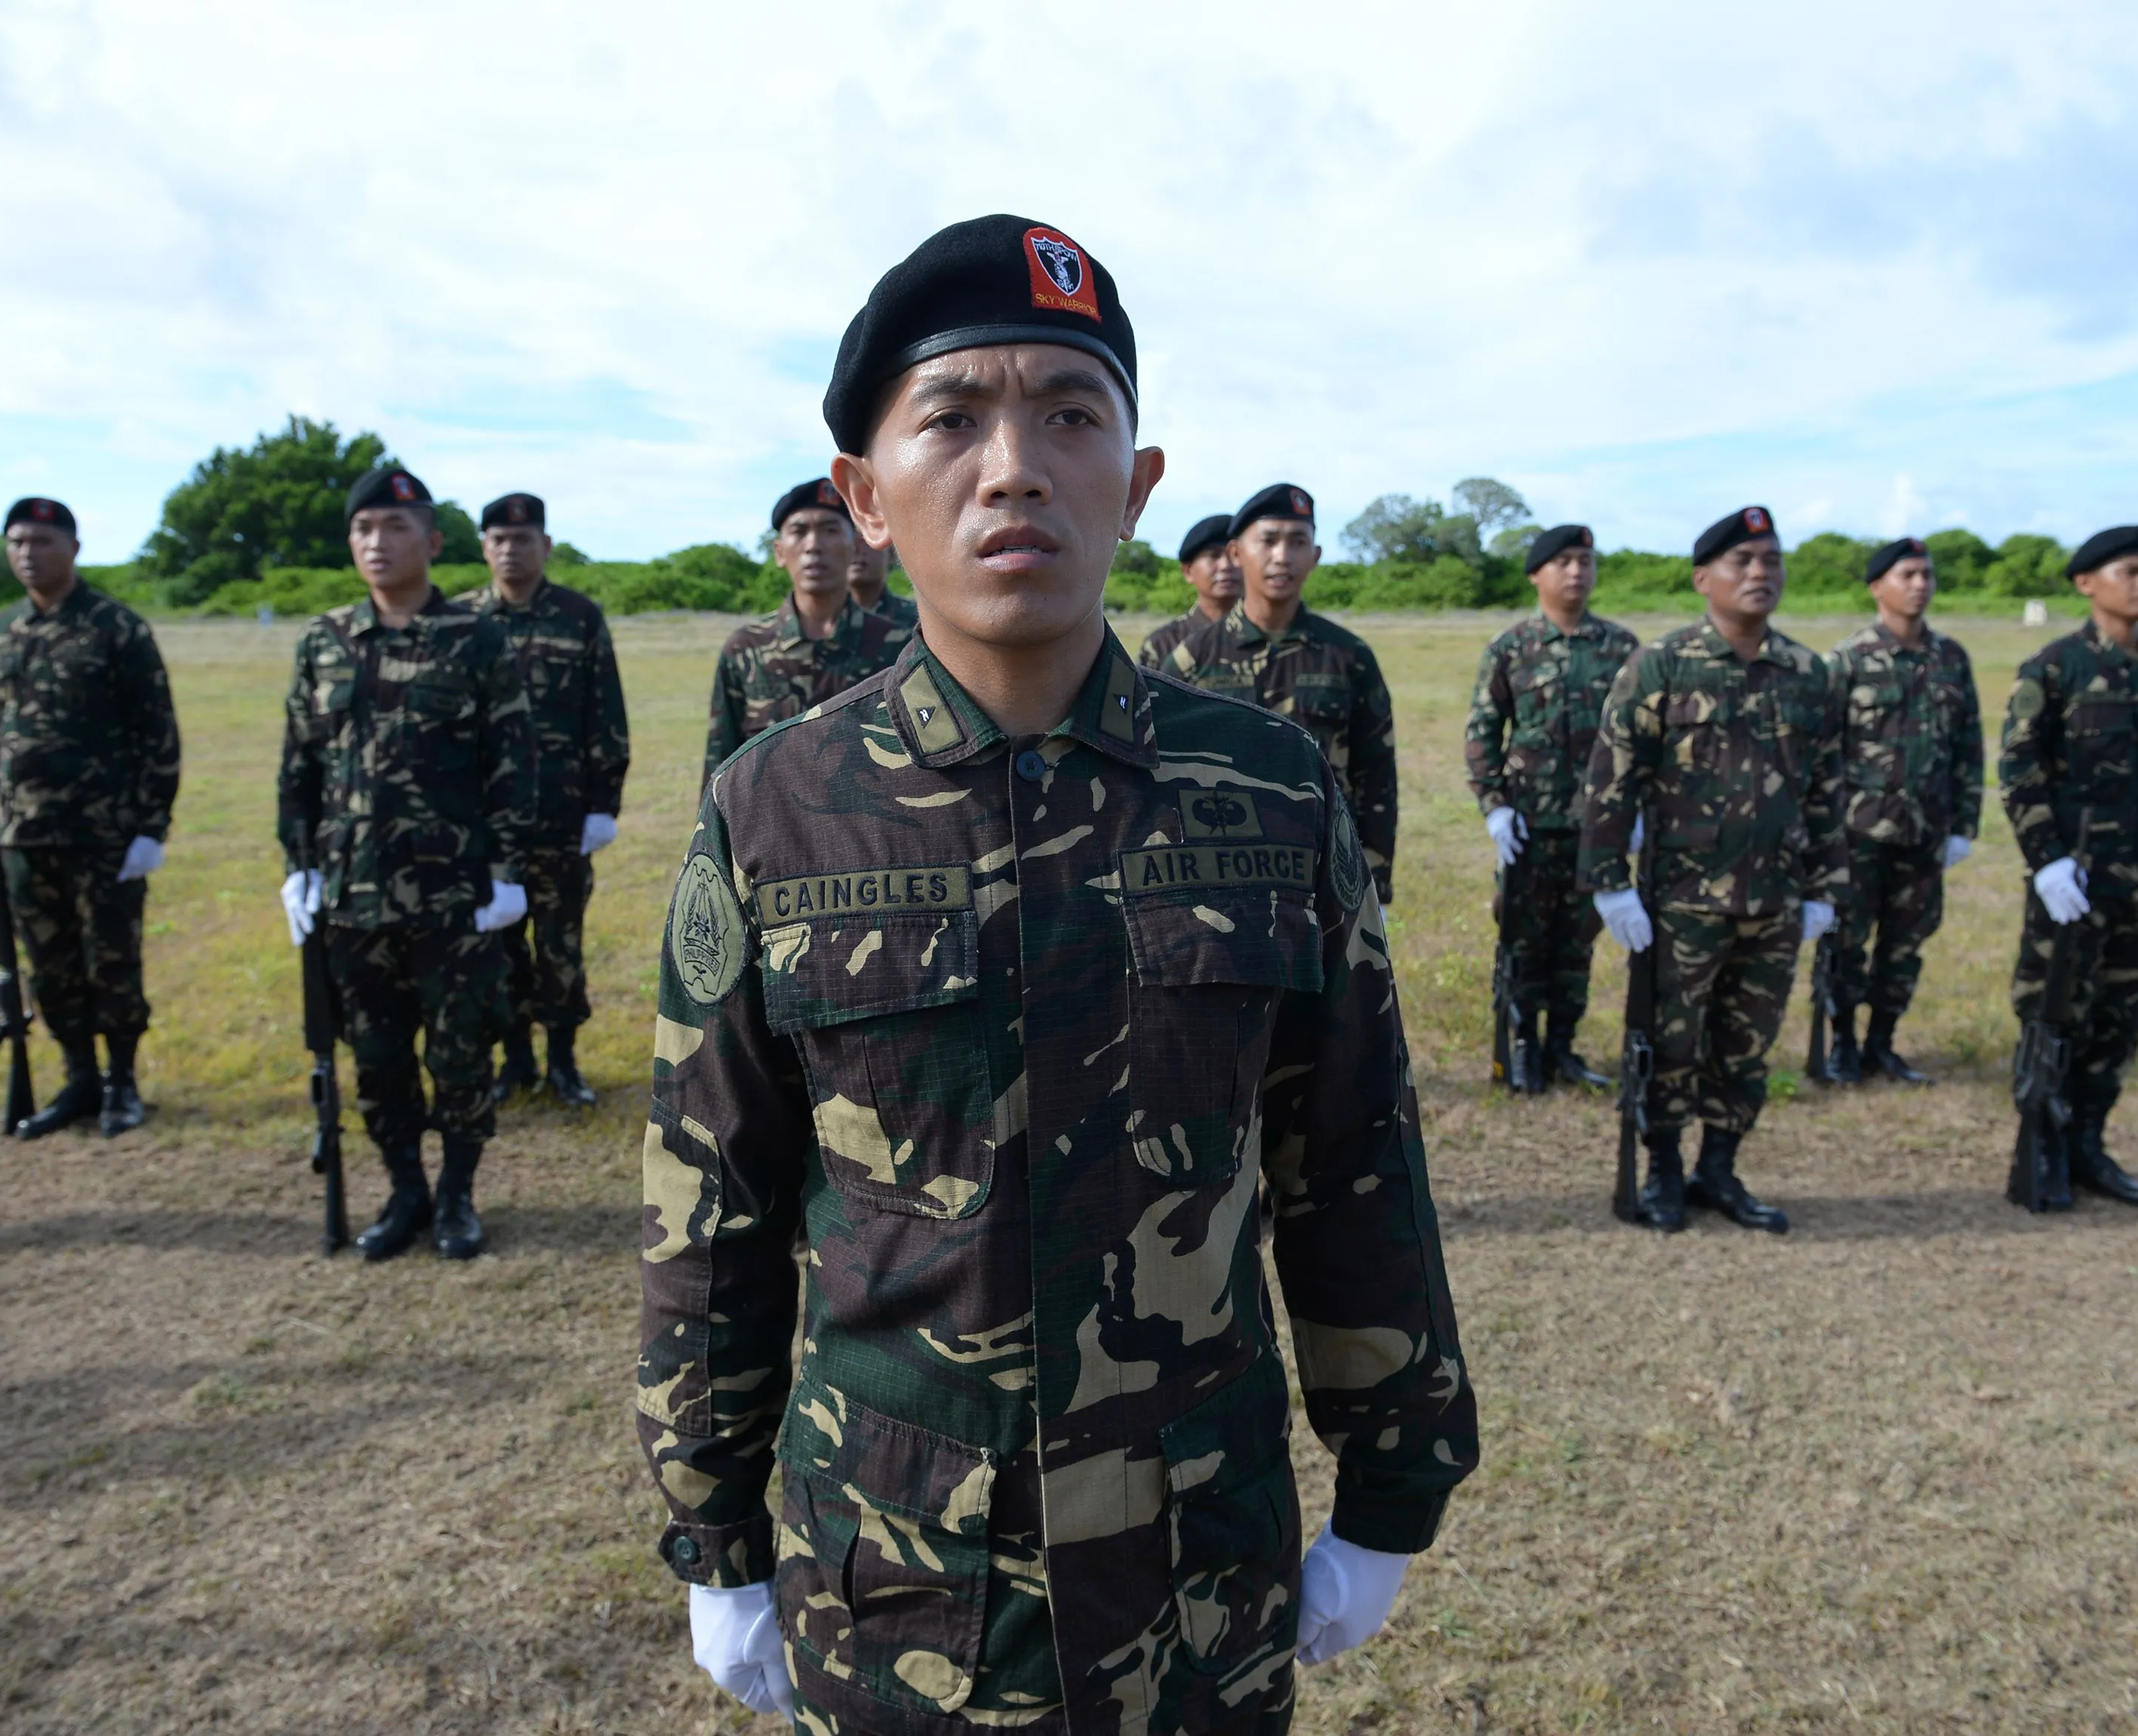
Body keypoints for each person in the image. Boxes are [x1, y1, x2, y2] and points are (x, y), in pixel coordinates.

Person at [640, 214, 1476, 1736]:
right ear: (864, 497)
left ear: (1139, 487)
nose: (1012, 464)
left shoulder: (1271, 790)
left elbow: (1351, 1155)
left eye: (1071, 416)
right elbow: (714, 1199)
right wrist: (714, 1532)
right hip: (895, 1570)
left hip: (1193, 1566)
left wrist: (1394, 1470)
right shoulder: (776, 807)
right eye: (951, 419)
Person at [276, 466, 532, 1261]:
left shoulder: (475, 638)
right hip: (351, 896)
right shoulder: (324, 641)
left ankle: (456, 1191)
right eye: (362, 530)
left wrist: (508, 871)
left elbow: (512, 758)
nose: (375, 543)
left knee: (459, 1055)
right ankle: (403, 1188)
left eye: (393, 527)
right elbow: (300, 765)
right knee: (377, 1060)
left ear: (430, 540)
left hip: (453, 896)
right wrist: (298, 864)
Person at [1581, 506, 1845, 1234]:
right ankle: (1663, 1166)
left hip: (1774, 898)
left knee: (1746, 1044)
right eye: (1741, 562)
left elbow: (1825, 787)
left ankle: (1719, 1167)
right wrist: (1609, 882)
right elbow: (1610, 777)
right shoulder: (1660, 665)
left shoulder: (1805, 673)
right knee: (1672, 1040)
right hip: (1681, 900)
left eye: (1770, 560)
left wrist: (1824, 887)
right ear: (1704, 579)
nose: (1759, 573)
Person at [1997, 525, 2138, 1209]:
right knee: (2056, 1016)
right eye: (2129, 571)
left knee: (2124, 1017)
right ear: (2088, 584)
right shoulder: (2054, 671)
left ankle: (2089, 1144)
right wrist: (2047, 862)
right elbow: (2020, 771)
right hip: (2076, 888)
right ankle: (2045, 1148)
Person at [0, 496, 181, 1138]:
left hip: (104, 834)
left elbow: (157, 733)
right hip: (22, 835)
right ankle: (78, 1079)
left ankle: (121, 1079)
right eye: (17, 543)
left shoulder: (117, 629)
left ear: (74, 548)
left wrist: (150, 828)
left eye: (42, 542)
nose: (28, 555)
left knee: (111, 961)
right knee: (50, 964)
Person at [462, 492, 629, 1107]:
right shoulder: (462, 621)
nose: (511, 550)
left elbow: (603, 713)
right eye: (499, 540)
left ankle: (563, 1061)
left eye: (523, 539)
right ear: (484, 548)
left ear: (546, 547)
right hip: (485, 824)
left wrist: (602, 803)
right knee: (496, 946)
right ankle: (515, 1061)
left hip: (561, 815)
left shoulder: (578, 617)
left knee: (560, 946)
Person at [1158, 485, 1400, 903]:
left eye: (1298, 542)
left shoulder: (1349, 656)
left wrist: (1374, 880)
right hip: (1221, 874)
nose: (1282, 556)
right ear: (1237, 553)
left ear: (1317, 556)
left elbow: (1376, 774)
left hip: (1325, 869)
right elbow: (1158, 776)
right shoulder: (1189, 661)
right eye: (1268, 540)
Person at [1463, 523, 1638, 1089]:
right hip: (1529, 824)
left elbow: (1640, 738)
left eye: (1585, 560)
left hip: (1596, 826)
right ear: (1536, 573)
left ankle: (1562, 1046)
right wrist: (1494, 805)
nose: (1576, 571)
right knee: (1521, 937)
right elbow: (1483, 732)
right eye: (1563, 561)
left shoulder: (1621, 648)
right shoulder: (1511, 647)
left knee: (1577, 939)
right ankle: (1519, 1046)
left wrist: (1633, 815)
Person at [1818, 536, 1982, 1085]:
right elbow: (1820, 752)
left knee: (1907, 944)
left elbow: (1968, 746)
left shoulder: (1950, 658)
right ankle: (1839, 1042)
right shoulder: (1847, 660)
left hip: (1925, 831)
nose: (1919, 585)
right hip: (1857, 831)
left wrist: (1963, 825)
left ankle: (1881, 1044)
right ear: (1877, 587)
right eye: (1907, 574)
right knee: (1846, 943)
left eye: (1926, 575)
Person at [700, 478, 913, 787]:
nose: (814, 545)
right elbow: (719, 766)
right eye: (799, 532)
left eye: (830, 530)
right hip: (772, 830)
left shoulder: (900, 643)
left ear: (855, 547)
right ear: (779, 552)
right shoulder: (746, 649)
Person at [1133, 512, 1243, 669]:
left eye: (1236, 555)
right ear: (1188, 571)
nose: (1226, 566)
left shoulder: (1274, 635)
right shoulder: (1163, 644)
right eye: (1213, 556)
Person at [843, 530, 917, 625]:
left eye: (865, 541)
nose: (857, 550)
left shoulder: (916, 619)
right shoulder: (824, 620)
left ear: (892, 554)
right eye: (849, 542)